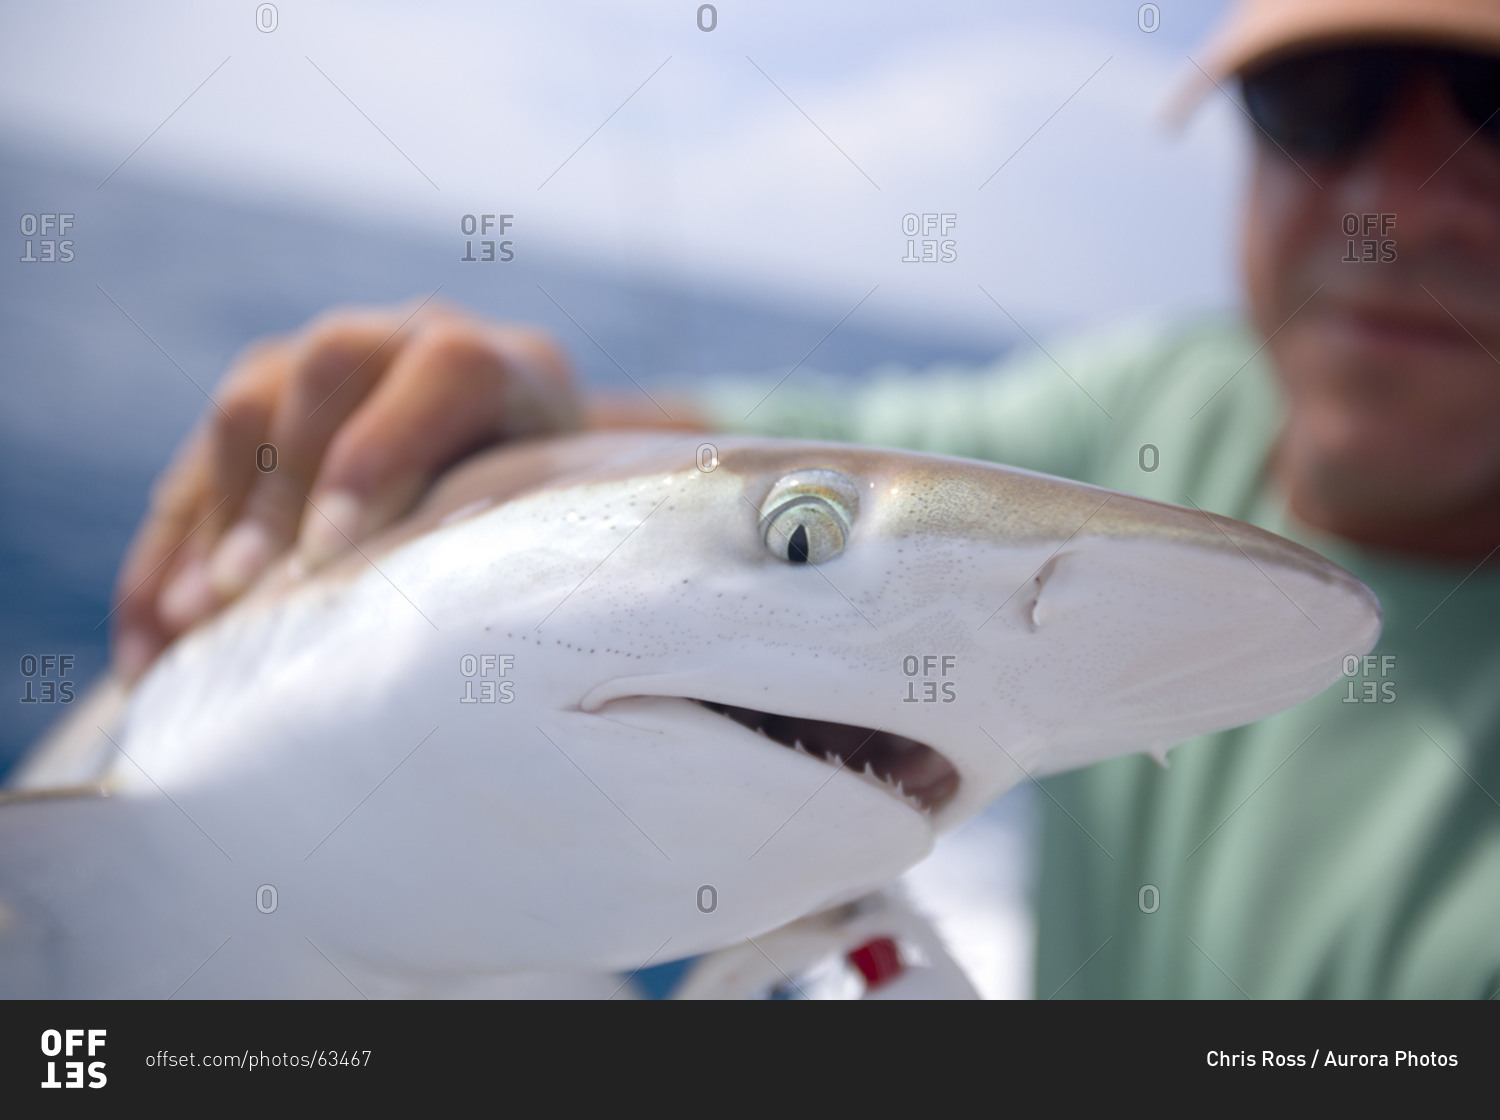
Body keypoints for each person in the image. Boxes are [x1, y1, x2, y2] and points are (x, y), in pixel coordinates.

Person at [109, 0, 1500, 997]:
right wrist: (502, 421)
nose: (1399, 199)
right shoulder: (1153, 408)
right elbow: (731, 467)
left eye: (1491, 110)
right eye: (1324, 104)